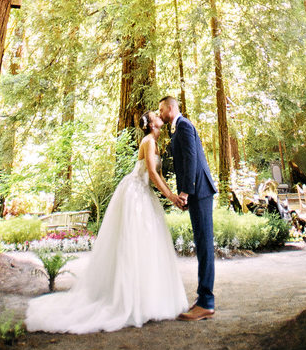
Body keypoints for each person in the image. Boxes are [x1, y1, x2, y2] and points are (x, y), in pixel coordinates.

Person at [26, 110, 188, 334]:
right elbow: (151, 172)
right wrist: (170, 196)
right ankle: (128, 299)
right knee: (134, 242)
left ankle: (146, 297)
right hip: (135, 194)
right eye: (155, 115)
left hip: (144, 193)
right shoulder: (149, 141)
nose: (160, 116)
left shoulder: (156, 142)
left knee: (147, 243)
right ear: (152, 124)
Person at [158, 95, 217, 320]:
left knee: (204, 244)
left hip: (200, 191)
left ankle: (206, 302)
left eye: (162, 109)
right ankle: (203, 299)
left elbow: (191, 159)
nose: (160, 113)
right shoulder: (178, 128)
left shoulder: (183, 125)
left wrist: (186, 192)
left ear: (171, 108)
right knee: (202, 243)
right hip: (196, 193)